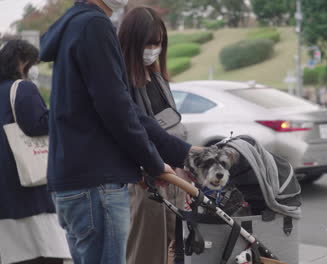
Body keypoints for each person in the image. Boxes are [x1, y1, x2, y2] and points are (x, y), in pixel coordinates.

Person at [40, 0, 194, 263]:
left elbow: (126, 109)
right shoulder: (94, 26)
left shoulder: (73, 26)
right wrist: (155, 163)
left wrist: (182, 153)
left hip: (74, 183)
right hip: (97, 186)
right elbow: (117, 108)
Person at [117, 7, 187, 264]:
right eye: (149, 43)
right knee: (146, 251)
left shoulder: (157, 77)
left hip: (172, 176)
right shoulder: (121, 80)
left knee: (173, 247)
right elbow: (132, 130)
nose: (154, 49)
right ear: (133, 42)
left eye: (159, 43)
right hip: (145, 180)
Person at [0, 40, 70, 264]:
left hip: (5, 186)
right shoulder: (22, 87)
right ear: (22, 62)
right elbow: (36, 125)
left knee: (13, 253)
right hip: (25, 181)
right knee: (44, 251)